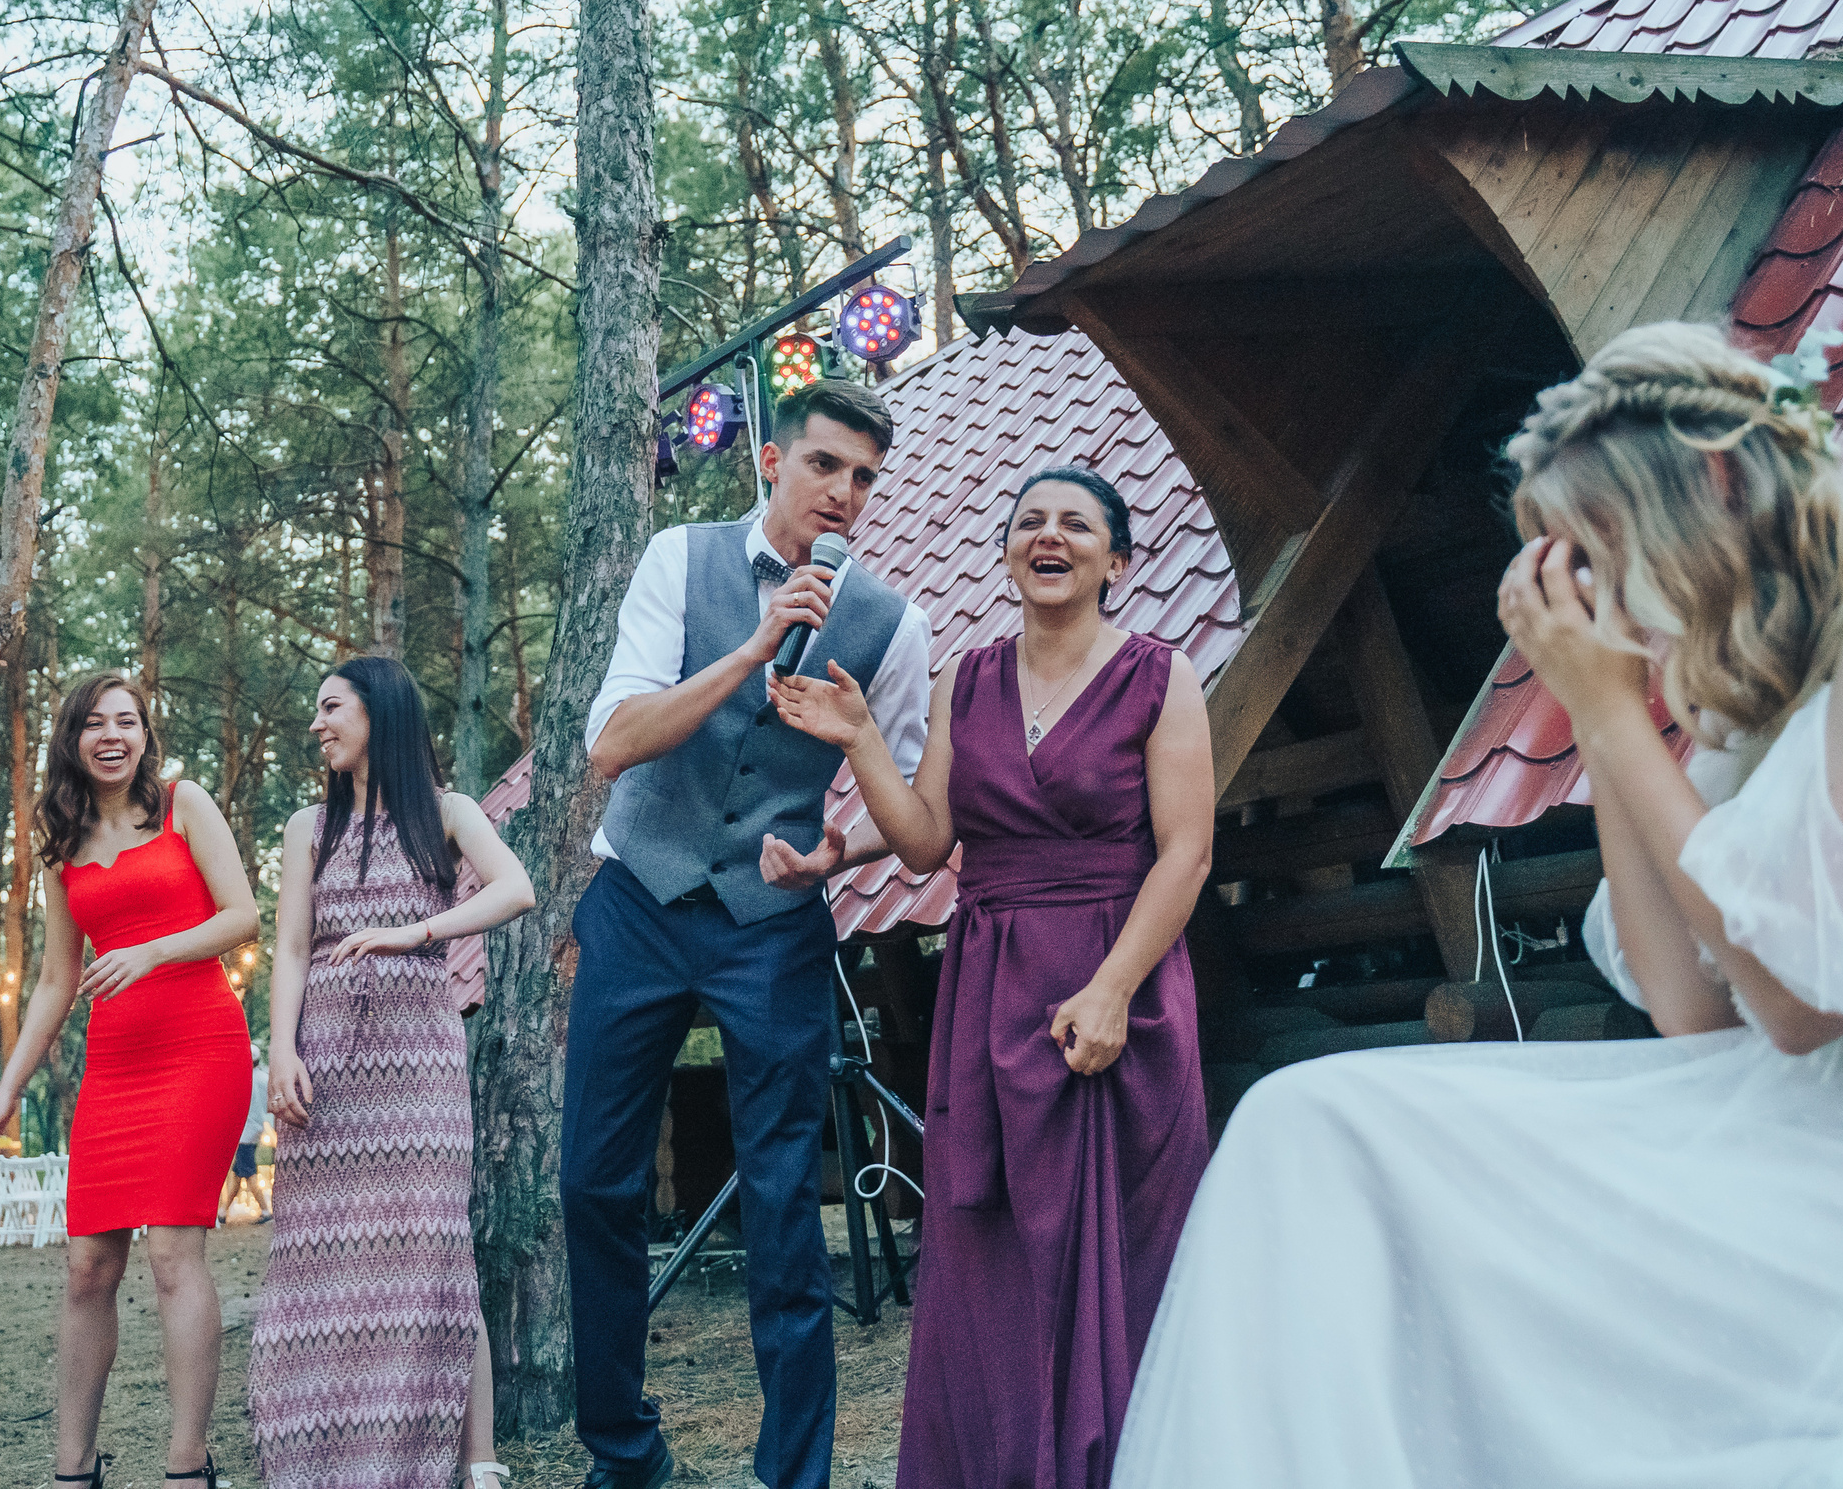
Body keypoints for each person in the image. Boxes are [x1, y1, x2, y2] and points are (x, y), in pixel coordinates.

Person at [1111, 323, 1843, 1488]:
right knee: (1301, 1126)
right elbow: (1689, 1009)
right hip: (1818, 1144)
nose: (1597, 599)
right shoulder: (1762, 717)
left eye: (1595, 547)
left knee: (1330, 1138)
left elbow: (1798, 1005)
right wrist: (1601, 715)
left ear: (1718, 478)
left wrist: (1620, 719)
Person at [770, 464, 1215, 1489]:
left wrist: (1110, 990)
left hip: (1119, 986)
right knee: (991, 1246)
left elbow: (1184, 855)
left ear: (1118, 557)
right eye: (1028, 524)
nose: (1048, 538)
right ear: (1009, 552)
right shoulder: (962, 679)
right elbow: (925, 844)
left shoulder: (1160, 674)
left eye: (1075, 525)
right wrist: (862, 742)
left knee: (1121, 1249)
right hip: (989, 989)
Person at [567, 378, 933, 1489]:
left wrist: (835, 855)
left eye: (864, 477)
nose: (845, 493)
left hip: (770, 926)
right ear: (770, 463)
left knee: (785, 1208)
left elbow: (906, 797)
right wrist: (752, 649)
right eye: (825, 465)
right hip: (639, 899)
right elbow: (611, 744)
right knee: (593, 1183)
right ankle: (624, 1455)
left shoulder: (891, 625)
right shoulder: (678, 561)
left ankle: (796, 1476)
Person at [250, 655, 535, 1489]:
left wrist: (418, 932)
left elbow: (515, 888)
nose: (317, 724)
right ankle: (336, 1448)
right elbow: (291, 948)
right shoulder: (309, 825)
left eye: (330, 707)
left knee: (436, 1250)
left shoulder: (445, 812)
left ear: (379, 711)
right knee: (325, 1255)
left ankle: (478, 1460)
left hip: (420, 1063)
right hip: (330, 1059)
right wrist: (283, 1052)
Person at [0, 673, 258, 1489]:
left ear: (144, 734)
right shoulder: (61, 840)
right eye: (95, 722)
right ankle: (72, 1469)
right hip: (117, 1066)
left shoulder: (182, 804)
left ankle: (187, 1464)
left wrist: (154, 949)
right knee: (88, 1264)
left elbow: (243, 916)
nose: (112, 734)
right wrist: (7, 1088)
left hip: (200, 1046)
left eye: (127, 720)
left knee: (172, 1252)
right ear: (73, 738)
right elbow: (57, 980)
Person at [218, 1042, 271, 1224]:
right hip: (256, 1129)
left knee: (248, 1172)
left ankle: (265, 1209)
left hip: (243, 1132)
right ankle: (223, 1212)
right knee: (237, 1171)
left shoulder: (240, 1078)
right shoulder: (264, 1078)